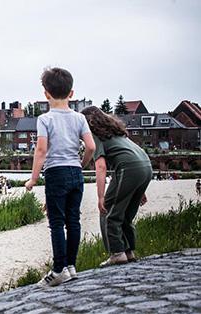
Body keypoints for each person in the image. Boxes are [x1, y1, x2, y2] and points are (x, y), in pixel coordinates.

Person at [25, 67, 95, 287]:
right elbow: (91, 147)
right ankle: (71, 267)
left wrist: (33, 179)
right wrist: (80, 165)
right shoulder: (80, 118)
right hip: (75, 172)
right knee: (73, 220)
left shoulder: (45, 119)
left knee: (56, 222)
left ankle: (58, 270)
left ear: (46, 93)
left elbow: (41, 151)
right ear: (71, 93)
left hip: (56, 172)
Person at [81, 106, 153, 267]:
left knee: (108, 212)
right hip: (146, 167)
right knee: (125, 214)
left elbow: (100, 166)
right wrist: (139, 188)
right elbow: (133, 154)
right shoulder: (116, 132)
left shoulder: (95, 135)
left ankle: (117, 253)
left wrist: (101, 197)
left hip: (129, 169)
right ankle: (129, 252)